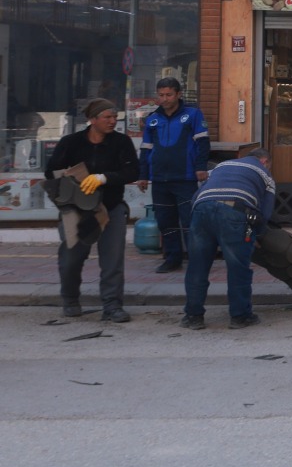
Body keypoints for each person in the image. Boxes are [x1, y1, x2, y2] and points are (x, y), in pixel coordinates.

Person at [45, 98, 139, 323]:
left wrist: (104, 178)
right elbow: (51, 172)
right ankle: (70, 299)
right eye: (107, 117)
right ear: (92, 119)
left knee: (112, 260)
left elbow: (133, 172)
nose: (112, 121)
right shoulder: (71, 142)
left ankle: (112, 306)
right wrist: (71, 178)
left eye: (115, 117)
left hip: (111, 208)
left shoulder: (122, 142)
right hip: (76, 210)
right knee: (70, 258)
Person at [182, 145, 276, 330]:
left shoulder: (221, 166)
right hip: (235, 213)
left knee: (197, 266)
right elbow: (264, 213)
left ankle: (193, 316)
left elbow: (196, 196)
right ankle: (240, 316)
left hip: (201, 210)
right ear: (264, 161)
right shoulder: (266, 175)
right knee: (237, 267)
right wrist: (254, 234)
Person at [137, 76, 210, 273]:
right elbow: (145, 149)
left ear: (178, 94)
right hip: (160, 179)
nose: (165, 98)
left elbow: (203, 144)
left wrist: (201, 167)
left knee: (189, 222)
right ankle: (172, 259)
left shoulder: (193, 114)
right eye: (161, 95)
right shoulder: (152, 119)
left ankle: (196, 260)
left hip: (185, 177)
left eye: (169, 94)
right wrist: (143, 175)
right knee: (165, 222)